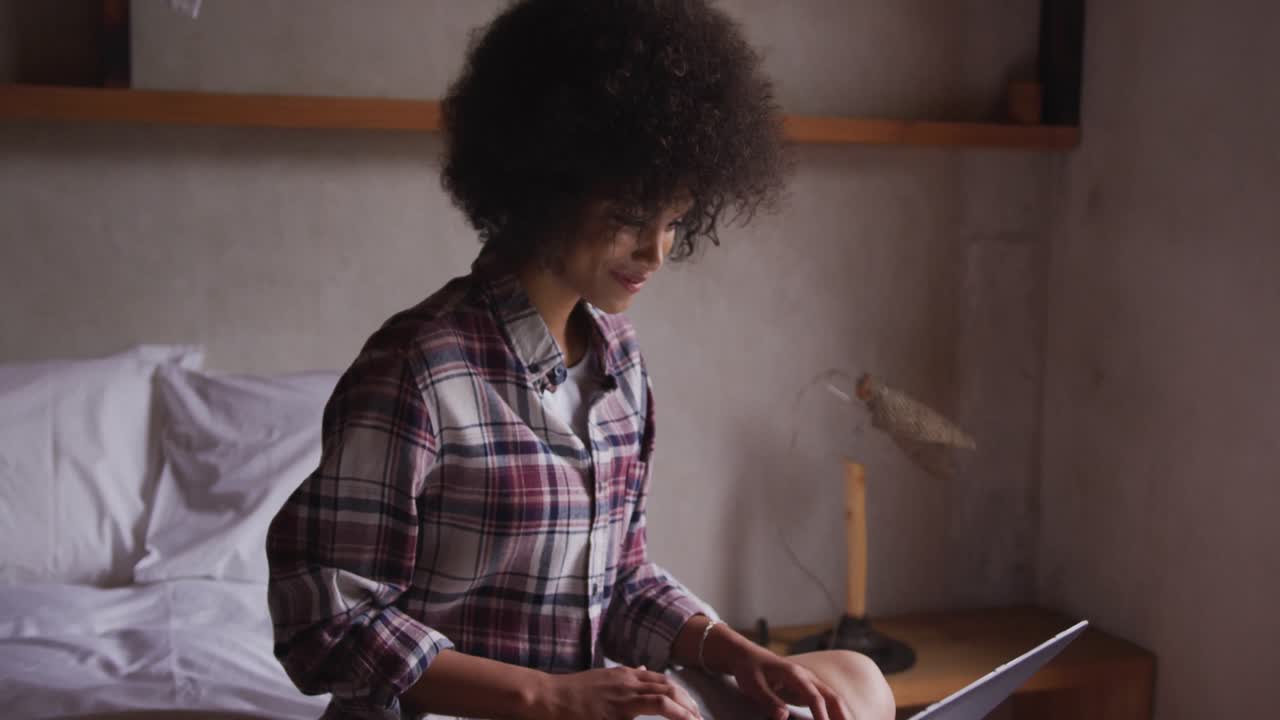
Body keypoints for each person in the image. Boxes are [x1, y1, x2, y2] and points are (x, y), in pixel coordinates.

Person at [266, 1, 895, 718]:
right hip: (463, 710)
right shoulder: (418, 367)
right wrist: (544, 695)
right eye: (631, 217)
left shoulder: (618, 361)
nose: (657, 253)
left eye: (674, 222)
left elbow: (621, 581)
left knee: (854, 680)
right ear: (548, 184)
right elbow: (325, 623)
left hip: (586, 705)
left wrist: (733, 650)